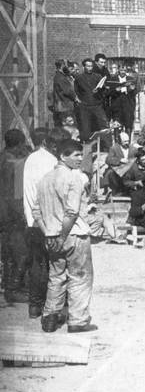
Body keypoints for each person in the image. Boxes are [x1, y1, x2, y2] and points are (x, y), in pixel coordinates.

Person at [31, 139, 97, 333]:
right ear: (62, 156)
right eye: (75, 155)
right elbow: (72, 212)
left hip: (51, 236)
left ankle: (50, 317)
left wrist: (50, 234)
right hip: (74, 234)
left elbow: (37, 212)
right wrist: (61, 236)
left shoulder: (45, 179)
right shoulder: (73, 178)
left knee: (56, 276)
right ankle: (78, 320)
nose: (80, 158)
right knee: (80, 277)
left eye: (80, 154)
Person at [21, 128, 62, 319]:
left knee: (37, 264)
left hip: (31, 219)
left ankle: (34, 306)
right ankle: (49, 307)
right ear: (50, 143)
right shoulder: (51, 162)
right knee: (53, 265)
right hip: (47, 221)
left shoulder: (31, 159)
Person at [1, 129, 33, 304]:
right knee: (20, 253)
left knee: (8, 254)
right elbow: (14, 194)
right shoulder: (14, 163)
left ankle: (10, 288)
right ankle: (13, 290)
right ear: (20, 144)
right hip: (12, 214)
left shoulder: (3, 158)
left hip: (4, 214)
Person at [74, 58, 108, 141]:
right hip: (85, 107)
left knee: (103, 125)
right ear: (84, 67)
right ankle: (87, 146)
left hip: (97, 105)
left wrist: (99, 90)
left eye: (91, 66)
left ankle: (106, 146)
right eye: (88, 66)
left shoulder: (98, 76)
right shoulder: (79, 78)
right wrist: (79, 101)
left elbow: (104, 90)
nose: (90, 68)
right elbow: (76, 91)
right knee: (85, 127)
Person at [50, 59, 77, 128]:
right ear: (62, 66)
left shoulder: (59, 76)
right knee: (68, 128)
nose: (68, 68)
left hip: (61, 107)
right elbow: (68, 91)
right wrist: (76, 98)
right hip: (65, 107)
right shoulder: (61, 78)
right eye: (67, 66)